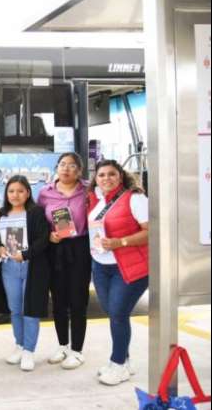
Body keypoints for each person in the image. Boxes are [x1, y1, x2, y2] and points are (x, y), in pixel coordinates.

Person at [87, 159, 149, 386]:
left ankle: (118, 364)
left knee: (118, 314)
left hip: (129, 266)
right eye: (101, 175)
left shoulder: (135, 198)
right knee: (112, 312)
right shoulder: (97, 200)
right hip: (101, 266)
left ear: (120, 176)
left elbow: (150, 232)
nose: (106, 179)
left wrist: (120, 242)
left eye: (111, 174)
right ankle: (125, 361)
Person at [0, 175, 50, 372]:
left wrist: (26, 254)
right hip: (9, 267)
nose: (15, 195)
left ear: (28, 193)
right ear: (6, 194)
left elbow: (43, 238)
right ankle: (19, 345)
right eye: (11, 191)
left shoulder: (36, 212)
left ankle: (29, 351)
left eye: (20, 191)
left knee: (30, 309)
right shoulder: (1, 214)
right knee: (15, 309)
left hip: (32, 266)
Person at [37, 152, 92, 370]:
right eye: (62, 164)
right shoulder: (45, 193)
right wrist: (48, 236)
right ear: (56, 168)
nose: (66, 169)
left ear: (79, 170)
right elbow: (39, 222)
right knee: (58, 300)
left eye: (72, 165)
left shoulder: (88, 190)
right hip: (56, 248)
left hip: (80, 247)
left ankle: (77, 351)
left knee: (78, 300)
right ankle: (62, 345)